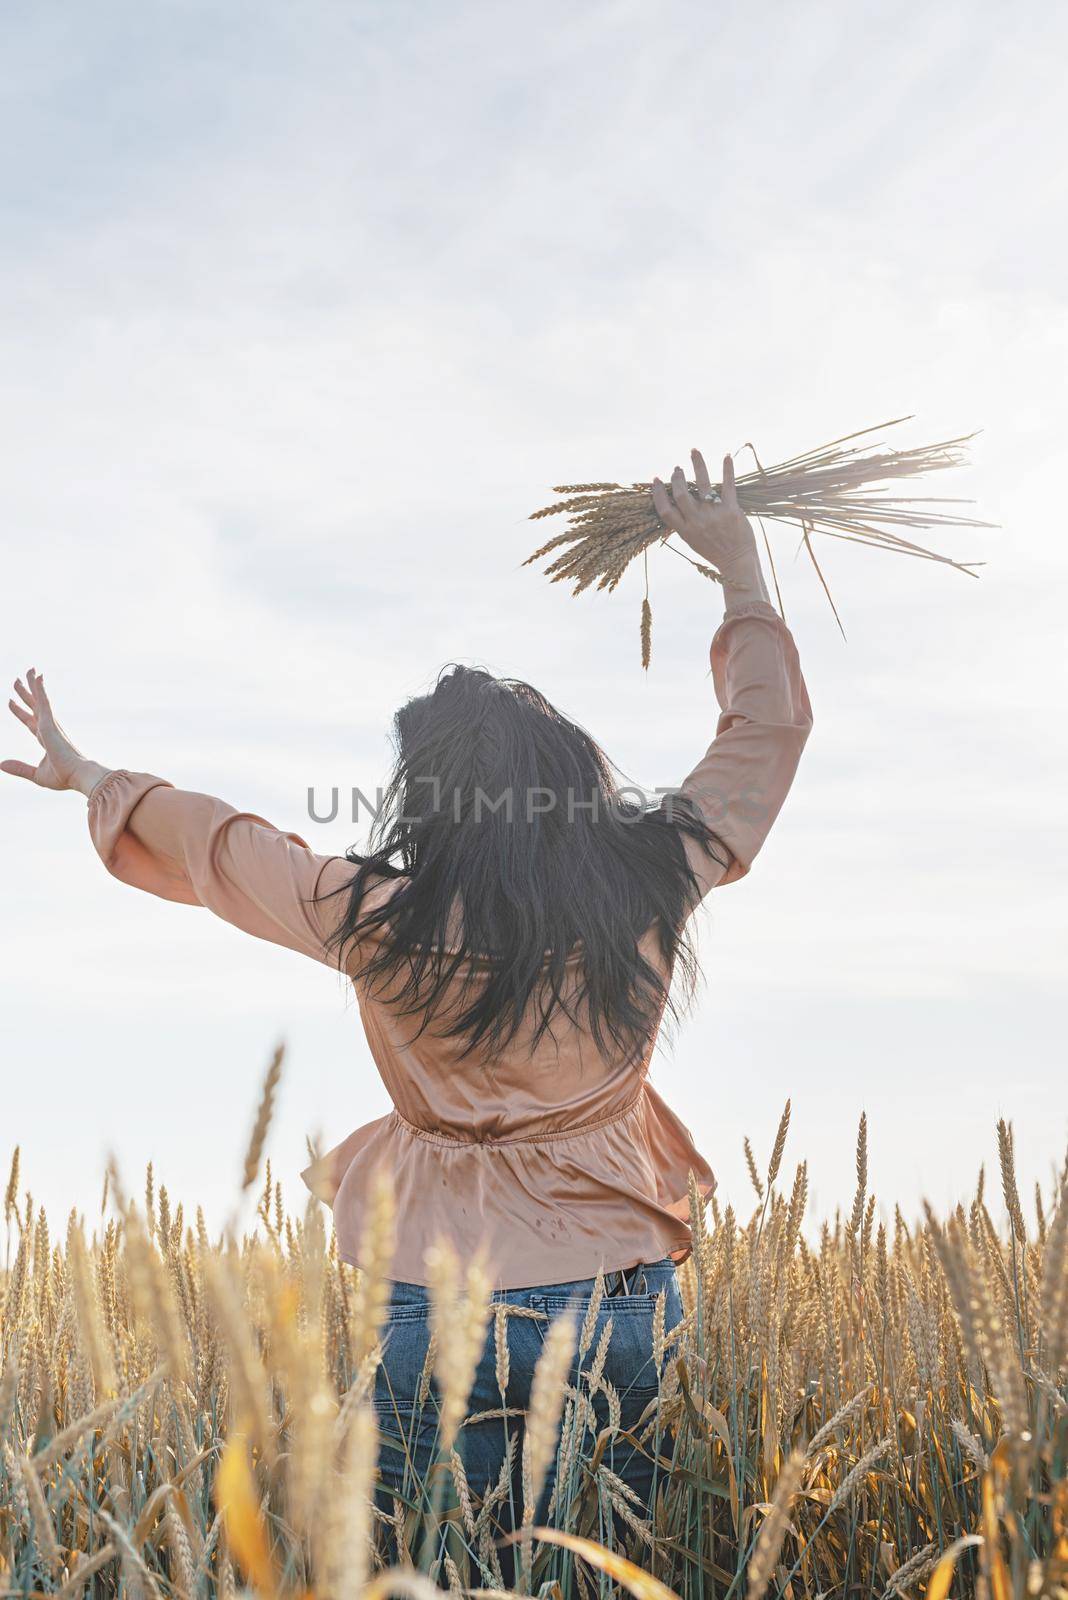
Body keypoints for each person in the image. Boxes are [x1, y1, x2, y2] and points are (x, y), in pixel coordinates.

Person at [3, 449, 811, 1539]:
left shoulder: (380, 918)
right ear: (565, 773)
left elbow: (218, 844)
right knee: (616, 1560)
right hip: (623, 1281)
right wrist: (741, 572)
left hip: (444, 1294)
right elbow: (763, 735)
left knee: (439, 1559)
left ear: (422, 799)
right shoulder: (651, 875)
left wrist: (89, 775)